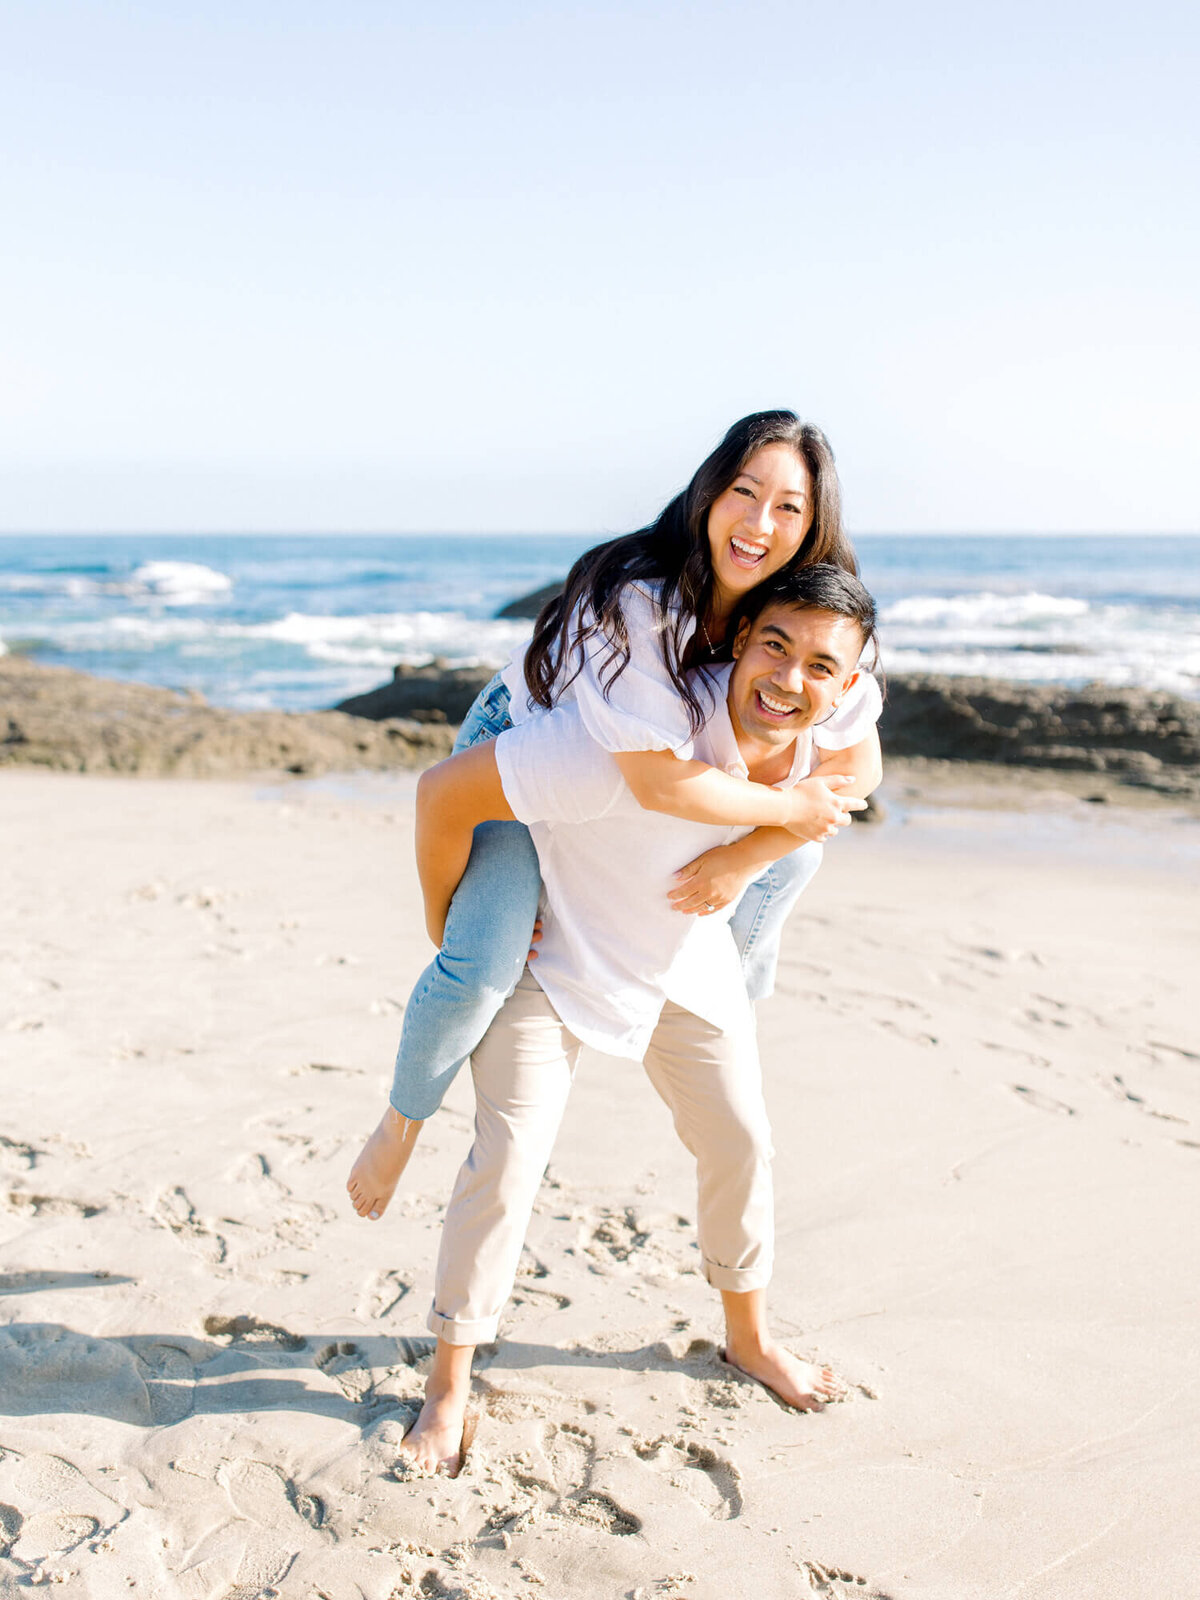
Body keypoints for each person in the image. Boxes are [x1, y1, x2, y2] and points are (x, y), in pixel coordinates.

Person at [398, 564, 881, 1474]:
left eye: (822, 666)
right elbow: (444, 789)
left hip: (681, 963)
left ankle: (748, 1335)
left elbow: (842, 790)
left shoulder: (824, 753)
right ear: (738, 642)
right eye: (774, 646)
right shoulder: (631, 729)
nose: (790, 679)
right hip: (558, 954)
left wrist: (749, 858)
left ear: (850, 689)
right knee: (505, 1161)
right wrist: (451, 916)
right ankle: (450, 1381)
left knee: (741, 1139)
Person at [348, 411, 882, 1222]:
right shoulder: (642, 600)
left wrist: (747, 855)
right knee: (484, 964)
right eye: (744, 492)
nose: (759, 523)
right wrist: (441, 914)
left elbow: (857, 766)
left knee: (794, 856)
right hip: (521, 746)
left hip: (629, 775)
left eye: (789, 508)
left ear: (815, 527)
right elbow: (659, 786)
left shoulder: (805, 612)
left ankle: (721, 997)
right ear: (708, 491)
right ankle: (401, 1119)